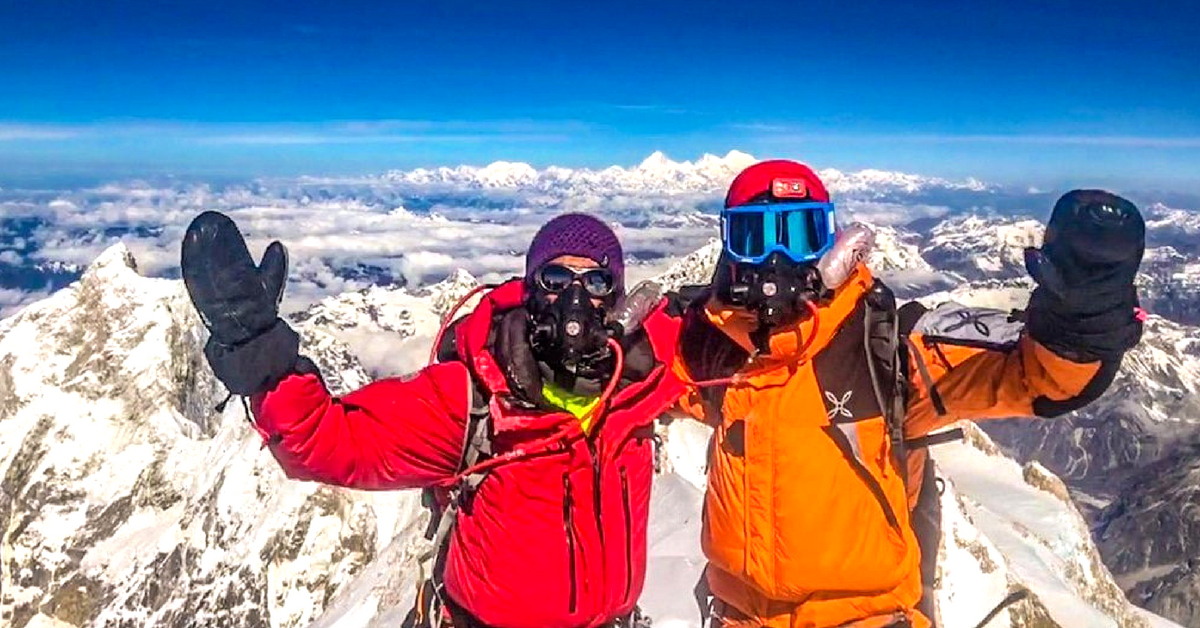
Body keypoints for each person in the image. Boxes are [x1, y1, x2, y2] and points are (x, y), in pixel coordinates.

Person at [672, 160, 1145, 628]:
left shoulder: (888, 345)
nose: (778, 257)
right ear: (728, 246)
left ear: (831, 241)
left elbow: (1035, 375)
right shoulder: (712, 349)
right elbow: (636, 376)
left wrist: (1081, 323)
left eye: (801, 233)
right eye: (753, 237)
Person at [180, 212, 688, 628]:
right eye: (556, 279)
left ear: (618, 301)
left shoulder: (642, 381)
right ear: (530, 290)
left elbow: (726, 344)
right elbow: (324, 440)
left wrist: (743, 281)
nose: (575, 299)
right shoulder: (470, 399)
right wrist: (260, 353)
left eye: (596, 281)